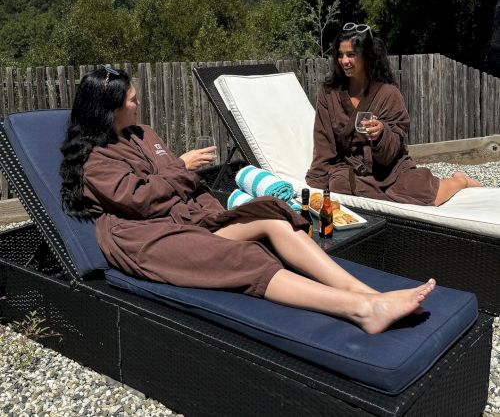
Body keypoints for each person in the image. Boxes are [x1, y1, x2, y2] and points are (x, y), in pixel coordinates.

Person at [60, 66, 436, 334]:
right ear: (107, 111)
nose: (137, 104)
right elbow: (141, 200)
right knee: (247, 257)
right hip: (148, 238)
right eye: (131, 100)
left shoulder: (143, 133)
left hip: (190, 219)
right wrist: (181, 167)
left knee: (274, 215)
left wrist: (195, 190)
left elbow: (177, 182)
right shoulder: (96, 160)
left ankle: (368, 292)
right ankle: (364, 311)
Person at [306, 23, 481, 206]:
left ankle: (460, 180)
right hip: (352, 168)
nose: (344, 61)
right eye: (340, 55)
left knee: (422, 192)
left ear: (367, 56)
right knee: (340, 185)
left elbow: (396, 141)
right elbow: (323, 139)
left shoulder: (388, 93)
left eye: (351, 54)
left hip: (389, 168)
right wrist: (316, 181)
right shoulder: (329, 93)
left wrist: (381, 133)